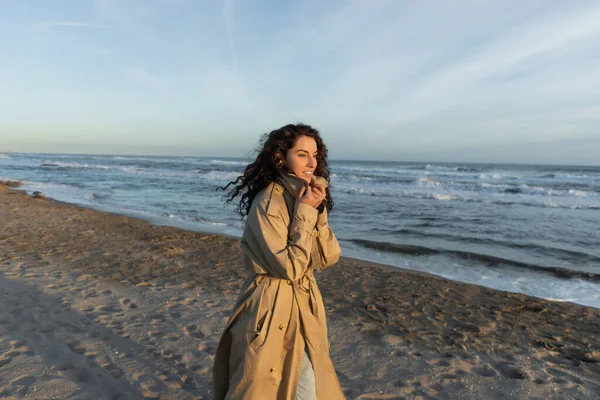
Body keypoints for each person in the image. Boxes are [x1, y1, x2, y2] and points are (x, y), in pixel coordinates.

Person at [213, 123, 345, 399]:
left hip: (305, 307)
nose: (312, 162)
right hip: (269, 307)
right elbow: (291, 268)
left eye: (315, 154)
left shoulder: (303, 197)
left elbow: (328, 257)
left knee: (308, 383)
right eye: (302, 154)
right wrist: (305, 213)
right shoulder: (267, 203)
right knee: (264, 387)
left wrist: (317, 213)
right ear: (280, 157)